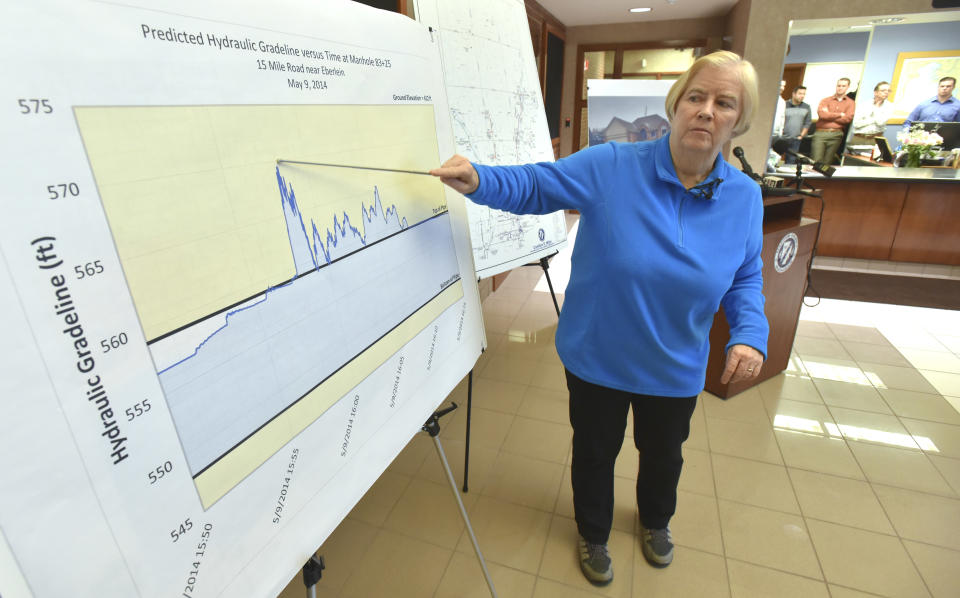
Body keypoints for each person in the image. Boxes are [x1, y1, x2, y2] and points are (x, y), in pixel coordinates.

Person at [431, 50, 768, 587]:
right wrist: (479, 179)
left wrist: (749, 335)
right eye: (696, 97)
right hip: (598, 358)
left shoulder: (746, 198)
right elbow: (537, 185)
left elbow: (746, 275)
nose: (706, 111)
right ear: (676, 104)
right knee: (593, 454)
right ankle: (593, 532)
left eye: (724, 103)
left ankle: (656, 522)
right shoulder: (612, 165)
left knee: (663, 457)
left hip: (675, 365)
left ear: (738, 121)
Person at [811, 77, 855, 164]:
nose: (840, 88)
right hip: (820, 134)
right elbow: (822, 115)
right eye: (839, 85)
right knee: (816, 161)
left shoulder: (851, 103)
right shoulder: (825, 100)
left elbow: (847, 119)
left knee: (828, 162)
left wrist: (829, 115)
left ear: (847, 87)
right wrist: (840, 115)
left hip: (836, 134)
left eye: (843, 86)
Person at [775, 85, 812, 164]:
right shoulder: (784, 105)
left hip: (796, 139)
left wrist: (801, 135)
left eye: (804, 94)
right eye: (800, 93)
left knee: (791, 161)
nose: (802, 96)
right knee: (776, 159)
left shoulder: (806, 107)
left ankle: (786, 176)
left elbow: (808, 123)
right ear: (794, 94)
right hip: (782, 138)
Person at [850, 81, 892, 146]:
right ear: (875, 92)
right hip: (859, 138)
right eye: (883, 90)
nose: (886, 92)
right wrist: (873, 119)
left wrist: (868, 118)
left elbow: (880, 123)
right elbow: (856, 124)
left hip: (876, 139)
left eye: (888, 91)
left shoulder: (889, 106)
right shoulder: (864, 105)